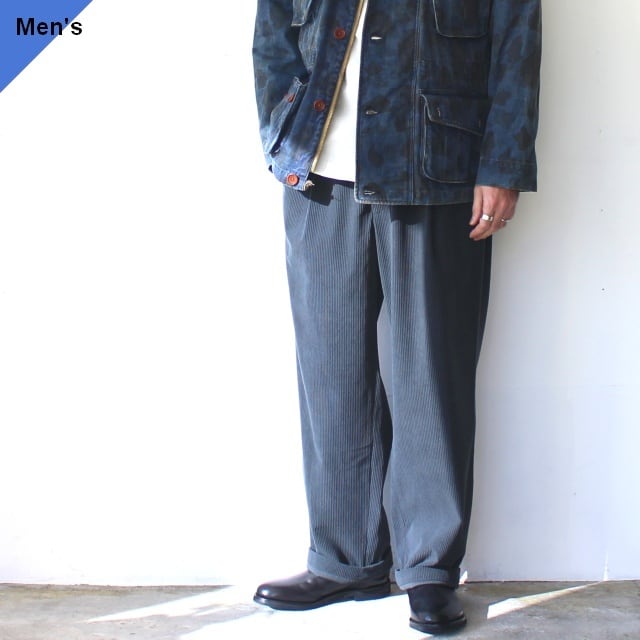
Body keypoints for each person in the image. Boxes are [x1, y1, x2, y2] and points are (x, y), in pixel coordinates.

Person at [251, 0, 541, 634]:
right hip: (318, 177)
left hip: (437, 169)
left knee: (430, 377)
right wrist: (280, 132)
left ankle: (429, 569)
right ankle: (346, 560)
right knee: (331, 374)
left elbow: (517, 45)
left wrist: (504, 164)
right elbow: (273, 34)